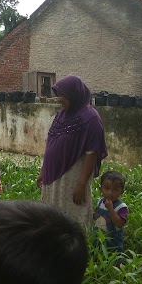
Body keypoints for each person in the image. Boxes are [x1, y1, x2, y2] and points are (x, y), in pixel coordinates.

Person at [36, 76, 107, 227]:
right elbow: (51, 143)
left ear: (74, 94)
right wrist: (43, 170)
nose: (59, 99)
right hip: (52, 176)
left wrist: (81, 184)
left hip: (72, 178)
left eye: (62, 95)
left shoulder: (91, 118)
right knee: (52, 216)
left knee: (72, 217)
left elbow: (92, 152)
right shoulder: (61, 114)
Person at [94, 170, 128, 252]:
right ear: (100, 189)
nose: (110, 192)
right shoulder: (100, 202)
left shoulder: (121, 207)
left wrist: (111, 209)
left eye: (115, 189)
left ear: (122, 192)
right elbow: (96, 216)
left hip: (113, 245)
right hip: (98, 241)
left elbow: (120, 224)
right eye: (107, 188)